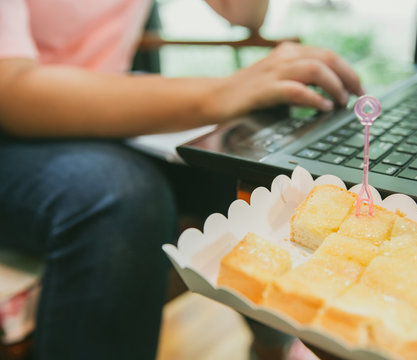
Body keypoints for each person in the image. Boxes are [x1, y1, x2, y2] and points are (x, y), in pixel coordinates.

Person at [0, 0, 363, 359]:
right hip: (15, 125)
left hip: (99, 101)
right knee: (120, 197)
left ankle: (272, 346)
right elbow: (10, 89)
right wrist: (221, 92)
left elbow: (246, 15)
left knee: (241, 162)